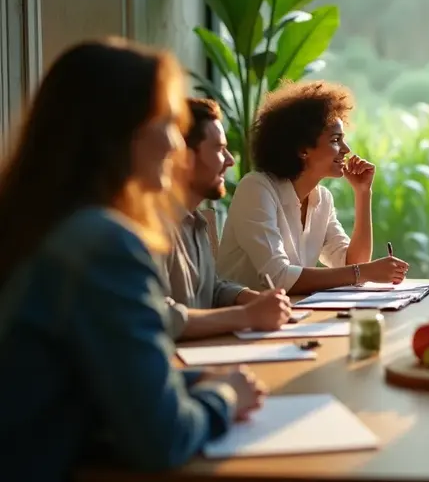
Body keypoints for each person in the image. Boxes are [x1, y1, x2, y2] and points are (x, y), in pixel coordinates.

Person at [0, 39, 265, 480]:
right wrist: (225, 397)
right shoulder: (103, 243)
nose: (174, 142)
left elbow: (82, 377)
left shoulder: (40, 224)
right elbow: (164, 440)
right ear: (120, 132)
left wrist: (190, 382)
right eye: (166, 122)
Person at [218, 81, 408, 293]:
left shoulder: (322, 199)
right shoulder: (256, 188)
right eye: (336, 140)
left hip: (290, 314)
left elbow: (351, 264)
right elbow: (279, 277)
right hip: (244, 321)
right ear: (302, 149)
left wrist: (363, 193)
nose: (346, 149)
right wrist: (365, 272)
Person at [159, 98, 291, 340]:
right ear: (183, 157)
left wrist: (252, 299)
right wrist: (249, 315)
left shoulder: (197, 222)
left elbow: (211, 289)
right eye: (219, 149)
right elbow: (159, 316)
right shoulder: (150, 228)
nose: (230, 160)